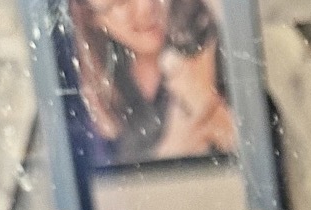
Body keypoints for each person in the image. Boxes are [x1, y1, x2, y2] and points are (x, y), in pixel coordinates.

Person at [66, 0, 236, 167]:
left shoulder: (216, 47)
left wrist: (208, 103)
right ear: (92, 17)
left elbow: (256, 147)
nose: (146, 6)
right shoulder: (96, 95)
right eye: (121, 2)